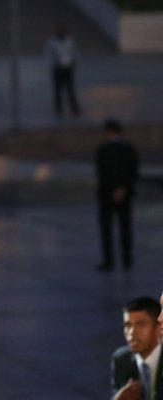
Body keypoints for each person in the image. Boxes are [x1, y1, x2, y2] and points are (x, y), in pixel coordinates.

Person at [95, 119, 139, 271]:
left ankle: (109, 261)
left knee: (108, 230)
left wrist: (114, 190)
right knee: (125, 228)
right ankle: (127, 260)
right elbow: (133, 172)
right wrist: (123, 189)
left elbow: (102, 173)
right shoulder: (129, 149)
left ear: (108, 132)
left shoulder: (103, 150)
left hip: (107, 195)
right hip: (124, 194)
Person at [111, 297, 163, 400]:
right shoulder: (121, 360)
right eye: (127, 325)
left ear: (158, 327)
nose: (131, 333)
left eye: (140, 325)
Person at [45, 25, 80, 117]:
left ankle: (74, 108)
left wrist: (73, 63)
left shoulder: (69, 41)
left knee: (70, 90)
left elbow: (75, 53)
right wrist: (54, 66)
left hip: (67, 68)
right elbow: (48, 55)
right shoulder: (52, 42)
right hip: (57, 69)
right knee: (58, 91)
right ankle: (58, 109)